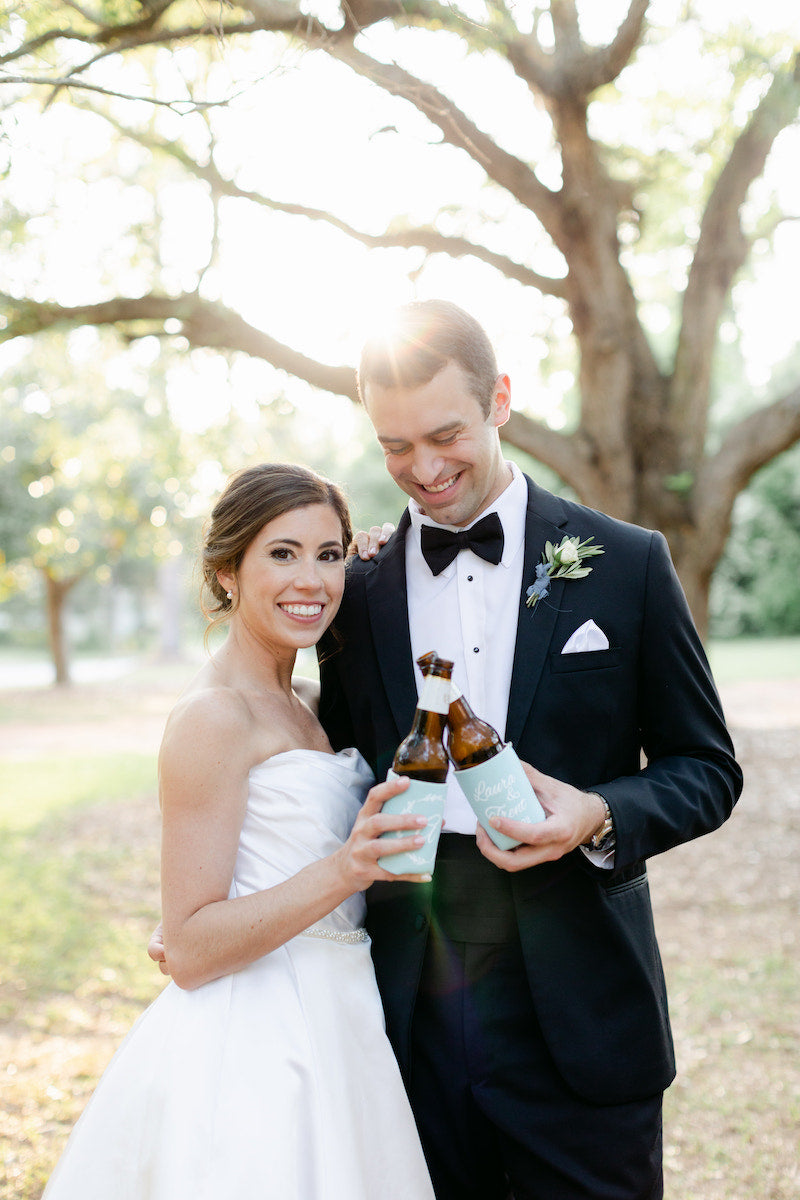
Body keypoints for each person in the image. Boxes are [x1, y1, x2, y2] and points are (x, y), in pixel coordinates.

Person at [314, 300, 744, 1200]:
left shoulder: (627, 563)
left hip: (583, 998)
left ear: (500, 399)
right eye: (396, 447)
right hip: (410, 1001)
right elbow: (333, 775)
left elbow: (706, 768)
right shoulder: (353, 595)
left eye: (446, 434)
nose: (424, 471)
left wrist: (599, 814)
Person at [43, 463, 435, 1200]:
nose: (311, 580)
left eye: (328, 554)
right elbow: (188, 948)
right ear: (227, 571)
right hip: (257, 1042)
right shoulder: (213, 717)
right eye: (281, 554)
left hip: (341, 1014)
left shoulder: (312, 701)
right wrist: (346, 869)